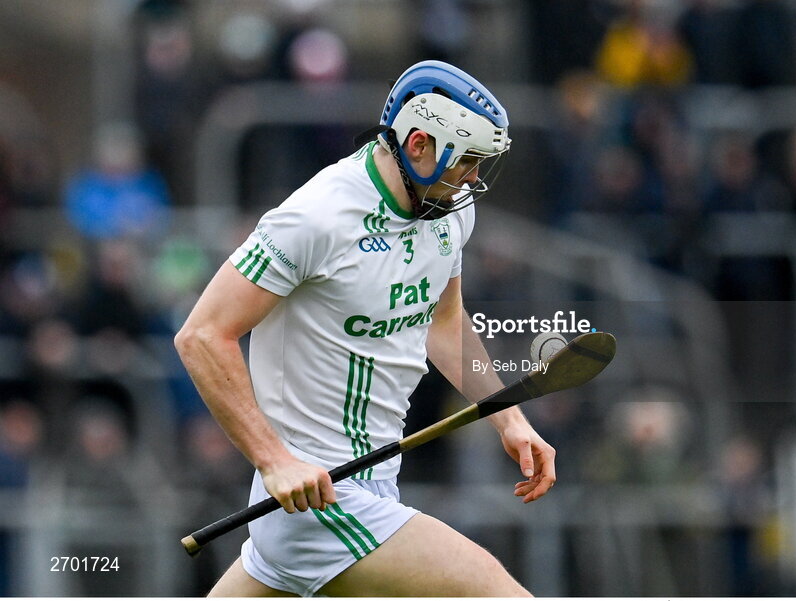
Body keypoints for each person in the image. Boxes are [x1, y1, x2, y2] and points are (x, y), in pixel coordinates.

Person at [175, 60, 556, 597]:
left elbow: (444, 324)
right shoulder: (316, 217)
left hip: (369, 487)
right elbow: (201, 335)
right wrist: (275, 460)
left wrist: (506, 418)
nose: (473, 178)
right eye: (467, 161)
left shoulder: (447, 212)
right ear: (420, 144)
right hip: (315, 502)